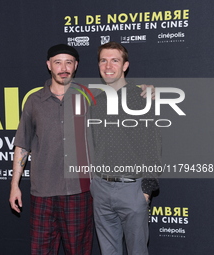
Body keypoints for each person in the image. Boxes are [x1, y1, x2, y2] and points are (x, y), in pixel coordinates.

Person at [9, 43, 154, 255]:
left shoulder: (92, 96)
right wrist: (14, 185)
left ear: (76, 65)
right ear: (49, 65)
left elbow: (122, 91)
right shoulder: (34, 101)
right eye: (58, 62)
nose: (63, 68)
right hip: (43, 193)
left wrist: (147, 89)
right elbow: (22, 144)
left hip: (80, 192)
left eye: (68, 62)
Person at [90, 42, 161, 255]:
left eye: (115, 60)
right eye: (103, 60)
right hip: (101, 189)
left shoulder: (141, 99)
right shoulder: (96, 102)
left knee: (137, 251)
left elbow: (153, 145)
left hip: (132, 189)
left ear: (125, 65)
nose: (108, 65)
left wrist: (146, 191)